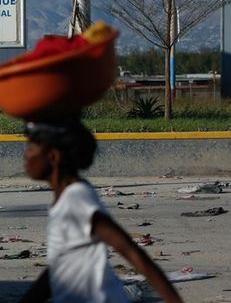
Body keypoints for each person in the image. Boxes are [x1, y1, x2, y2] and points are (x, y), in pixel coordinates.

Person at [18, 118, 183, 303]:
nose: (25, 156)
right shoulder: (67, 197)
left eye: (30, 149)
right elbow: (60, 266)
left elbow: (130, 250)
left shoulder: (76, 199)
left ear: (53, 157)